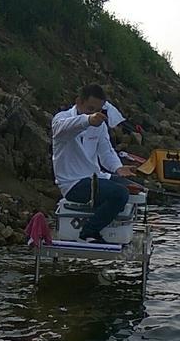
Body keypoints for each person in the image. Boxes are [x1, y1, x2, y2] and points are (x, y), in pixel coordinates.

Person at [52, 84, 136, 243]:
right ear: (79, 102)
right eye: (90, 109)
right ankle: (89, 232)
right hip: (72, 184)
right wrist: (88, 120)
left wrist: (118, 168)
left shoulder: (99, 125)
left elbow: (106, 153)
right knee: (120, 194)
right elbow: (63, 128)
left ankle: (112, 227)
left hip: (95, 177)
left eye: (97, 110)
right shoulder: (61, 119)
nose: (94, 113)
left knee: (135, 187)